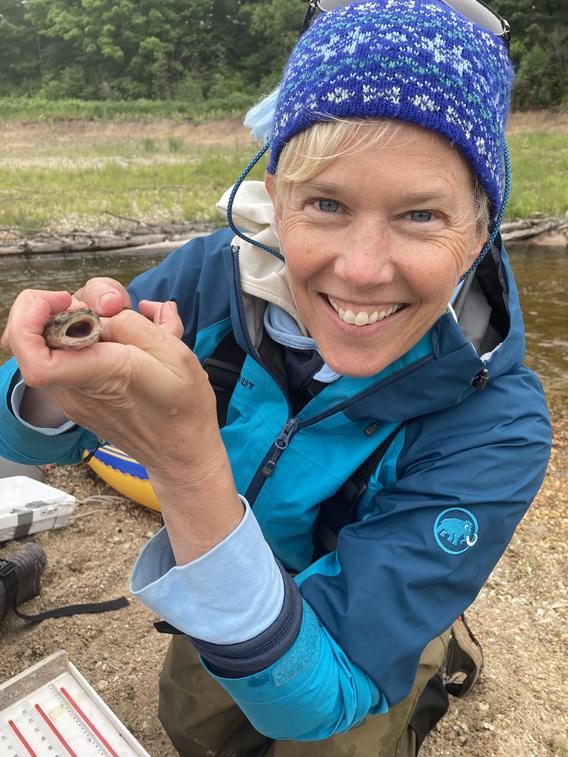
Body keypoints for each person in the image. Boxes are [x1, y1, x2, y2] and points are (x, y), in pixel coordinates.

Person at [0, 0, 552, 754]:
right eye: (325, 203)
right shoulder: (212, 275)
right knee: (193, 724)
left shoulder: (500, 423)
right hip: (230, 552)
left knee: (325, 728)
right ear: (275, 199)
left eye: (421, 215)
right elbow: (24, 431)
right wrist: (54, 384)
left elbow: (311, 704)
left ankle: (430, 650)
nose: (360, 270)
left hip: (349, 589)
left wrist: (184, 462)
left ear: (482, 226)